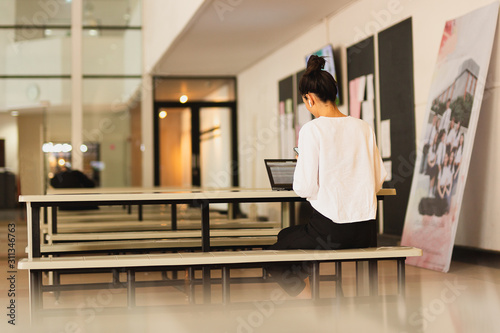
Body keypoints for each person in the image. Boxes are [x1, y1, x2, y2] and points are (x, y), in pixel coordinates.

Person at [267, 55, 386, 297]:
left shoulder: (312, 130)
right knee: (286, 236)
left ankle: (309, 306)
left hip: (331, 231)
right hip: (366, 231)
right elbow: (378, 178)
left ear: (309, 98)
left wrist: (302, 165)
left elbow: (304, 187)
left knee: (273, 258)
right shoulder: (363, 127)